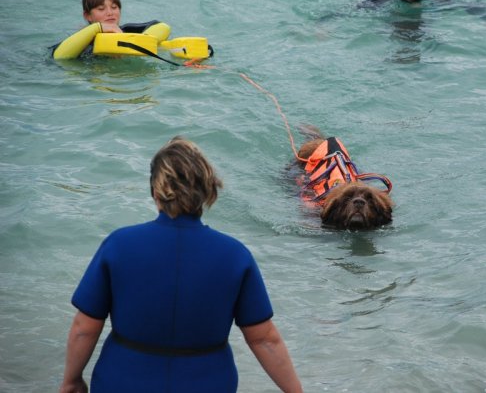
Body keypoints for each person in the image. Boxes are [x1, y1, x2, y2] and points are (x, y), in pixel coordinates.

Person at [59, 136, 303, 393]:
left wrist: (71, 380)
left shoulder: (118, 245)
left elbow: (84, 328)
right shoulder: (234, 256)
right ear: (209, 190)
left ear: (155, 191)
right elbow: (264, 339)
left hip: (122, 381)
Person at [51, 0, 170, 59]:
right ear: (88, 16)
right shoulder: (82, 43)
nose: (110, 13)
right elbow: (59, 57)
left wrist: (138, 42)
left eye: (114, 7)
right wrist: (97, 28)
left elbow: (162, 26)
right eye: (101, 9)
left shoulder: (126, 31)